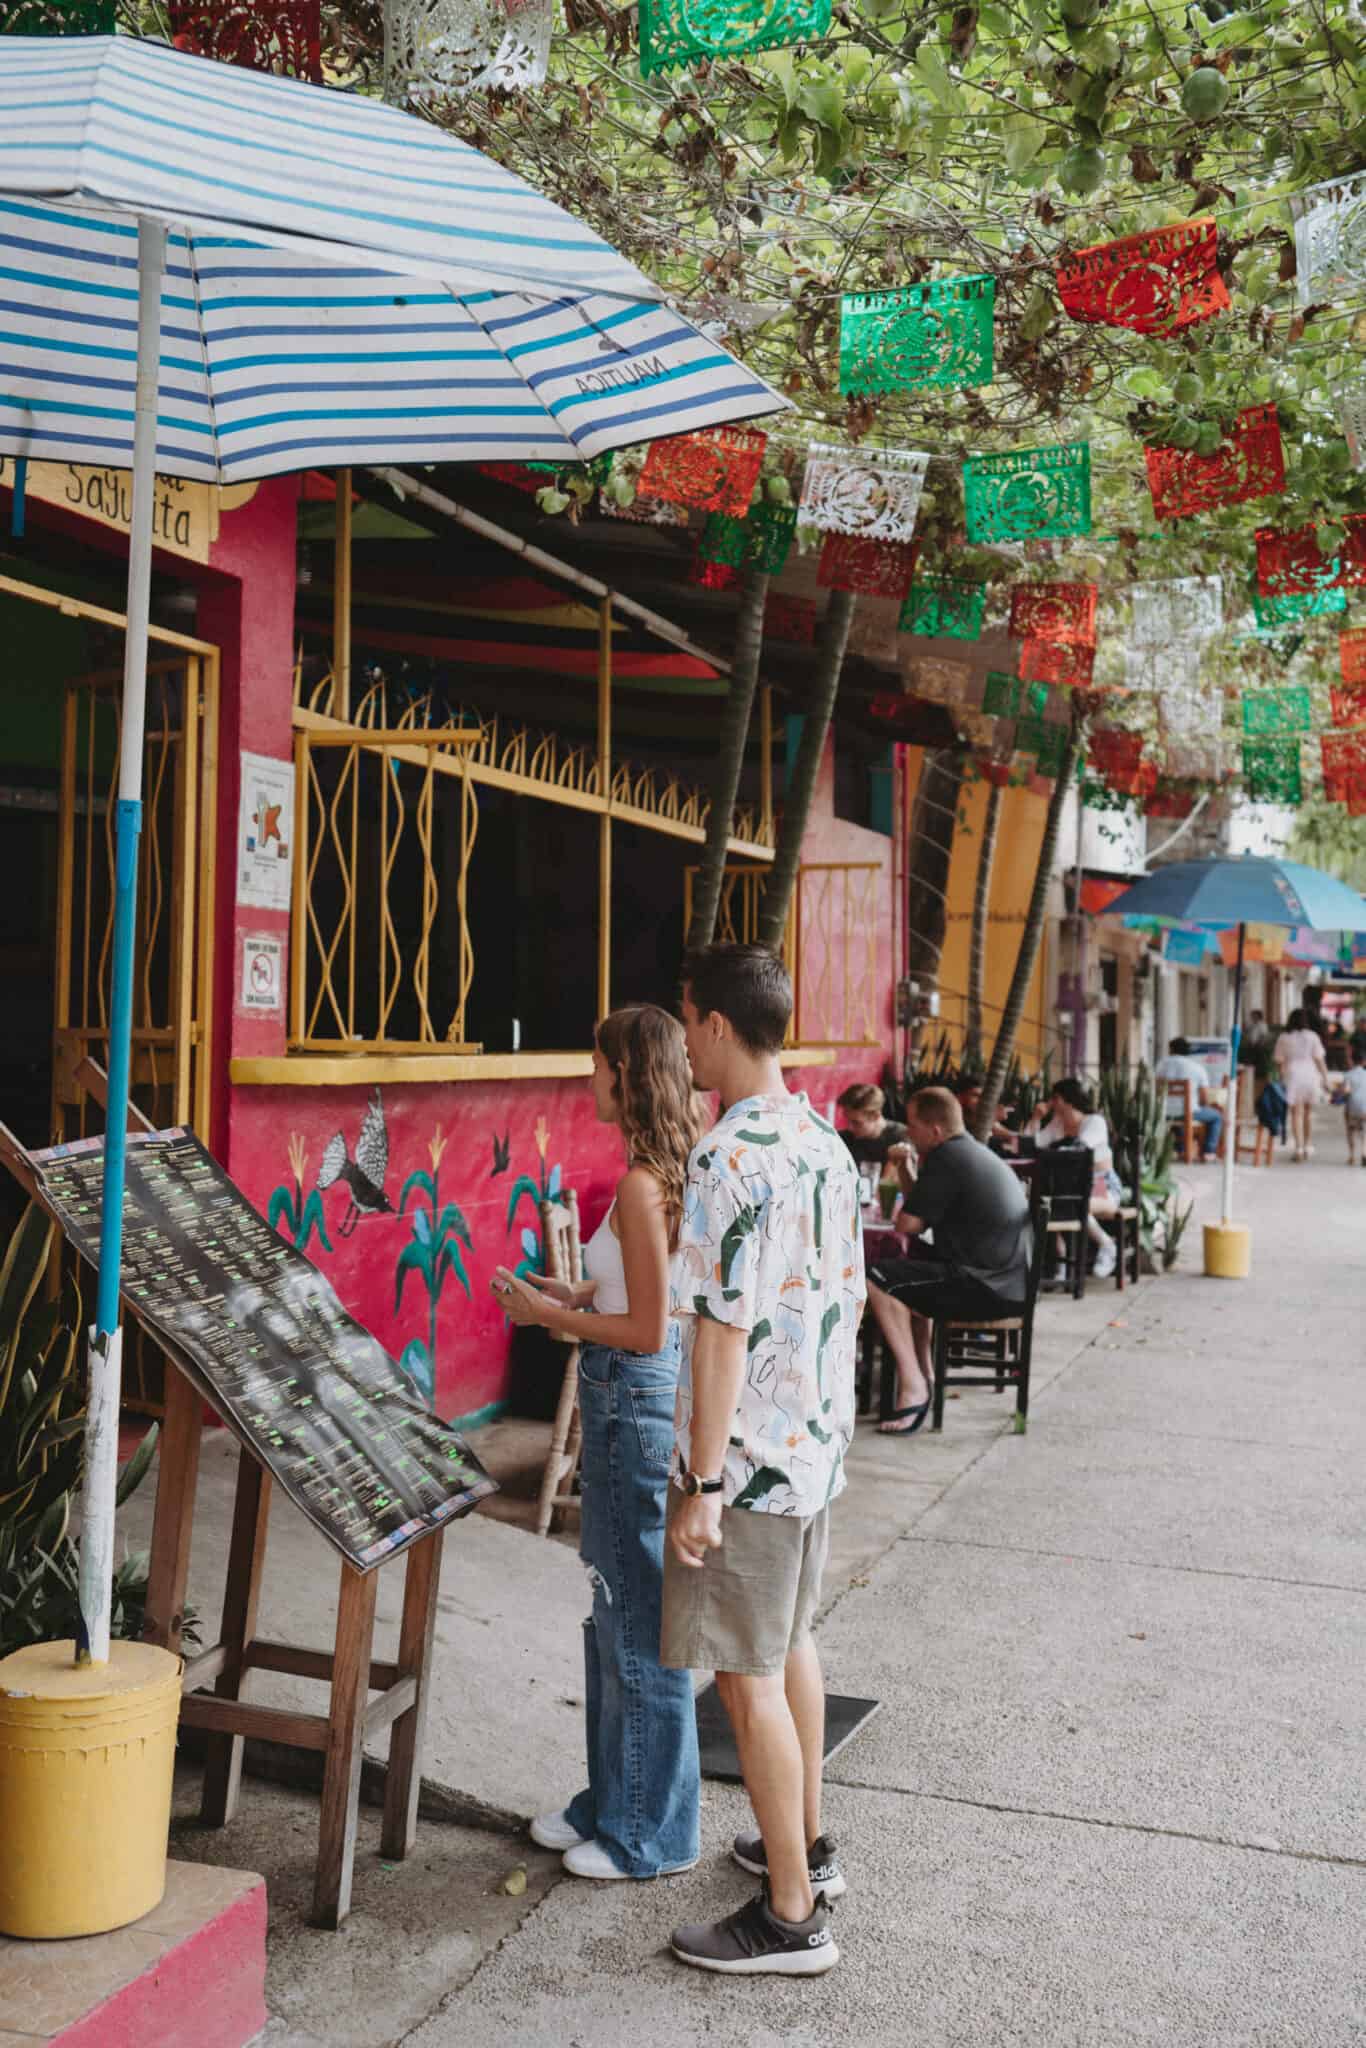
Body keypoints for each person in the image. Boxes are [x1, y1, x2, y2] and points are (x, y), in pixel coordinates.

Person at [662, 944, 863, 1977]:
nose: (684, 1033)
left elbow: (718, 1330)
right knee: (789, 1647)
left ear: (715, 1026)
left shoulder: (726, 1154)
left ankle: (789, 1913)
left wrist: (698, 1482)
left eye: (688, 1016)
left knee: (744, 1679)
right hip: (813, 1447)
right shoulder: (824, 1140)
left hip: (748, 1461)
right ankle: (807, 1850)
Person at [492, 1005, 703, 1882]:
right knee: (614, 1611)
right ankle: (612, 1799)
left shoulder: (639, 1185)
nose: (589, 1079)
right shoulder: (654, 1177)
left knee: (637, 1623)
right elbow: (627, 1286)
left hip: (633, 1403)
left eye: (598, 1064)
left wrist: (549, 1317)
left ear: (630, 1073)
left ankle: (652, 1833)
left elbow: (651, 1328)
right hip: (631, 1403)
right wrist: (568, 1291)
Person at [863, 1088, 1033, 1437]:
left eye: (913, 1126)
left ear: (935, 1130)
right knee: (900, 1270)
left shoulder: (947, 1159)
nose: (908, 1133)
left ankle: (913, 1385)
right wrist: (908, 1169)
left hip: (985, 1287)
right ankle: (924, 1372)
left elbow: (906, 1224)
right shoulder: (965, 1152)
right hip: (1004, 1282)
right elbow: (919, 1214)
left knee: (877, 1276)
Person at [1033, 1078, 1121, 1279]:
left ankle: (1107, 1245)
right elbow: (1033, 1143)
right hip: (1071, 1187)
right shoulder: (1057, 1124)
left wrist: (1051, 1152)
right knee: (1053, 1208)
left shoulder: (1094, 1122)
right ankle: (1062, 1266)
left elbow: (1079, 1149)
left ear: (1068, 1100)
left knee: (1076, 1206)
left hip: (1102, 1185)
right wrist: (1036, 1118)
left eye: (1055, 1098)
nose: (1051, 1103)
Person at [1153, 1037, 1223, 1161]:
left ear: (1171, 1050)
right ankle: (1209, 1152)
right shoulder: (1197, 1068)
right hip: (1189, 1112)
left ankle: (1178, 1149)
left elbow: (1155, 1089)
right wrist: (1204, 1104)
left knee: (1177, 1117)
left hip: (1163, 1112)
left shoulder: (1161, 1065)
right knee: (1216, 1116)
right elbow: (1204, 1098)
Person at [1276, 1007, 1330, 1161]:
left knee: (1295, 1113)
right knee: (1307, 1113)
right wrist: (1325, 1079)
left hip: (1292, 1074)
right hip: (1310, 1074)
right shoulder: (1312, 1037)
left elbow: (1279, 1062)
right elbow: (1319, 1060)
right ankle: (1307, 1145)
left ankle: (1298, 1148)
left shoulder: (1284, 1037)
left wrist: (1281, 1077)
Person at [836, 1082, 908, 1182]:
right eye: (847, 1120)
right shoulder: (844, 1138)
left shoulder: (901, 1138)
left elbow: (892, 1185)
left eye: (856, 1123)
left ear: (876, 1116)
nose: (850, 1128)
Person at [1333, 1051, 1366, 1166]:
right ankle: (1364, 1152)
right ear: (1364, 1062)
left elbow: (1345, 1091)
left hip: (1353, 1107)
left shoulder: (1348, 1075)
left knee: (1350, 1130)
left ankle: (1352, 1156)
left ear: (1352, 1061)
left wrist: (1336, 1095)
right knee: (1364, 1130)